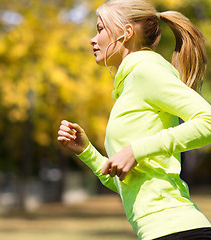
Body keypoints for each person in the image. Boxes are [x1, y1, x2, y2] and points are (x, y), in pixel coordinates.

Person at [57, 0, 211, 239]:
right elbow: (126, 183)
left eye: (100, 29)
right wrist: (86, 151)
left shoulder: (146, 71)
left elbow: (207, 121)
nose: (92, 39)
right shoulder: (129, 85)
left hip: (178, 230)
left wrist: (136, 150)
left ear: (127, 33)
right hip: (159, 232)